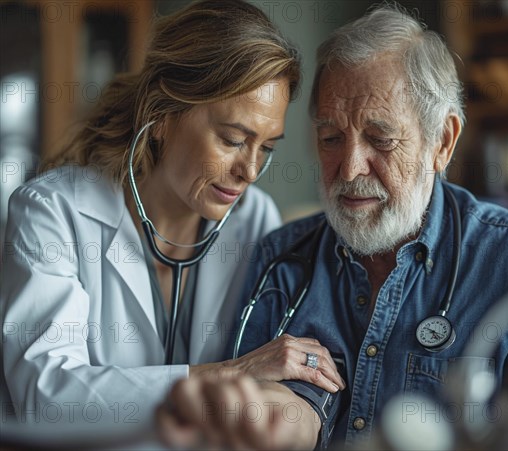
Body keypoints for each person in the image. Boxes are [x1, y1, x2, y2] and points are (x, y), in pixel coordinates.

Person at [155, 3, 508, 450]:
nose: (350, 167)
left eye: (381, 139)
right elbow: (285, 406)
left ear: (442, 141)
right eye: (331, 138)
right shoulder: (280, 260)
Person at [0, 0, 345, 429]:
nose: (250, 171)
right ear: (162, 114)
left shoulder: (254, 219)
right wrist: (227, 374)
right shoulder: (53, 213)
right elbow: (46, 396)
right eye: (233, 139)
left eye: (267, 148)